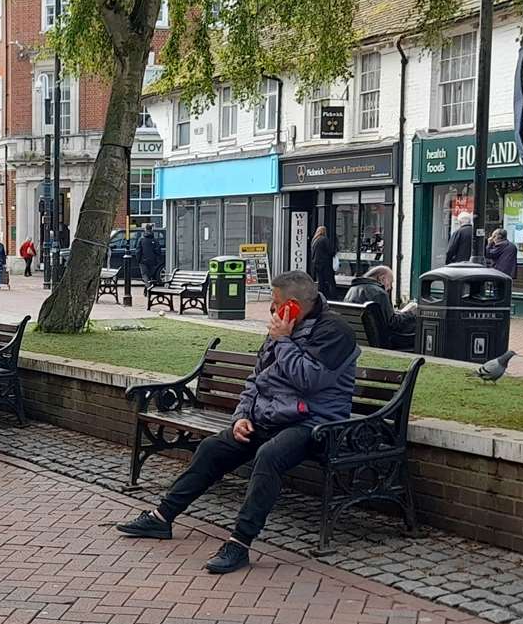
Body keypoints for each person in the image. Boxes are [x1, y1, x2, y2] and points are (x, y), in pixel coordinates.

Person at [116, 271, 358, 573]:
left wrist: (283, 340)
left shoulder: (334, 332)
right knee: (212, 448)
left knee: (269, 456)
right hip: (269, 418)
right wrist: (242, 416)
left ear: (293, 305)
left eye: (275, 302)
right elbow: (256, 379)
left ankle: (240, 543)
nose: (272, 308)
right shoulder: (282, 328)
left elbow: (309, 380)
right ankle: (161, 518)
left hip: (314, 424)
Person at [343, 265, 418, 350]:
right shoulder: (379, 293)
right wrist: (411, 313)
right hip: (382, 341)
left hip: (360, 339)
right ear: (382, 279)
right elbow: (393, 323)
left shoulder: (352, 290)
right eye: (390, 282)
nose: (390, 287)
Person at [308, 224, 338, 300]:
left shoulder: (314, 240)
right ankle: (333, 296)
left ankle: (321, 296)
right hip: (325, 263)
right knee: (331, 280)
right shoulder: (324, 239)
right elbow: (330, 251)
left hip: (316, 264)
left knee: (321, 281)